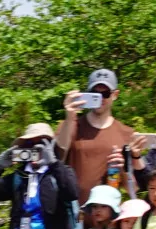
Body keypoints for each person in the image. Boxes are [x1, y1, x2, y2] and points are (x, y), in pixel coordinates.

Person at [56, 68, 136, 203]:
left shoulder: (127, 133)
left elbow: (134, 189)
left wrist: (124, 168)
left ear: (115, 95)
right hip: (74, 215)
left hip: (108, 218)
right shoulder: (70, 125)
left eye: (105, 93)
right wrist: (69, 117)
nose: (100, 98)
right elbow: (57, 157)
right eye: (94, 93)